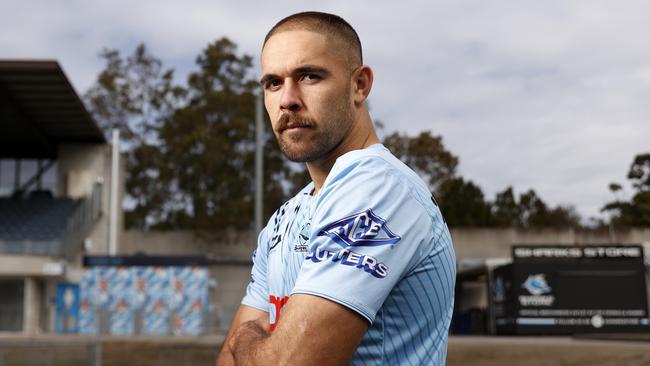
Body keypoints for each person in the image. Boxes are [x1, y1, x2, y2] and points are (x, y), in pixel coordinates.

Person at [216, 11, 456, 366]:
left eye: (309, 76)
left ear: (359, 85)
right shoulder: (285, 218)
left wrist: (245, 337)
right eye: (273, 83)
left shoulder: (379, 188)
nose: (287, 100)